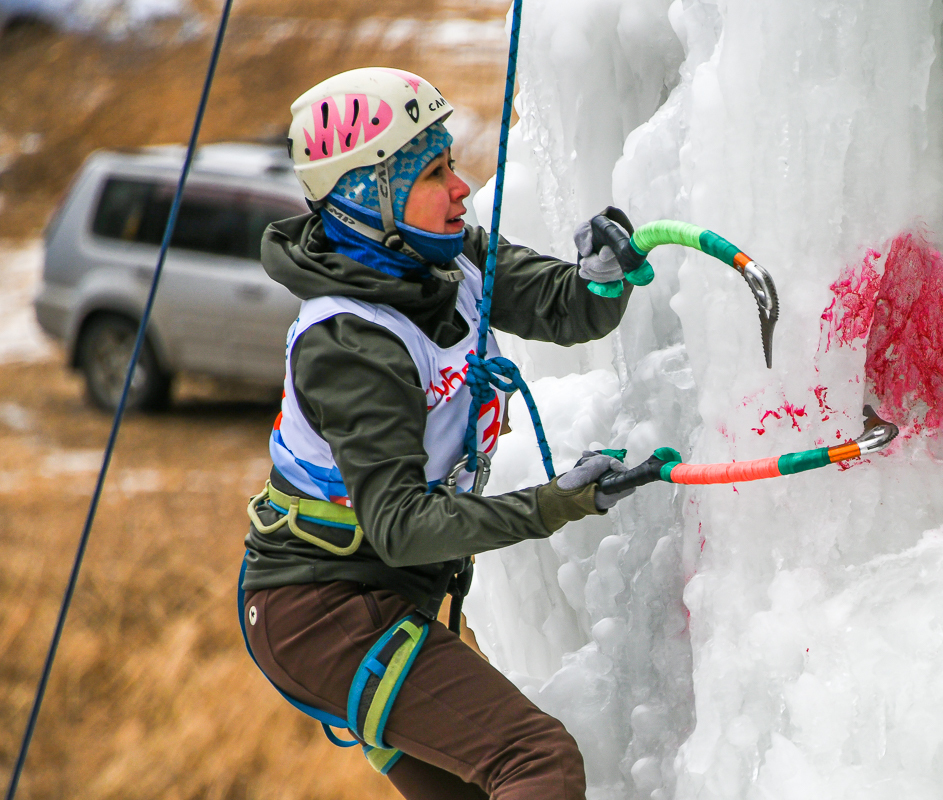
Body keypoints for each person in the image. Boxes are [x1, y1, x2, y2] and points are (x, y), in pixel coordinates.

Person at [240, 67, 644, 800]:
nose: (461, 187)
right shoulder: (350, 345)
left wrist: (604, 276)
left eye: (452, 163)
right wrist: (552, 504)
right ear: (371, 197)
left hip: (380, 595)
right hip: (324, 613)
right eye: (434, 172)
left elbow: (565, 307)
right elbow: (399, 525)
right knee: (537, 762)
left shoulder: (447, 257)